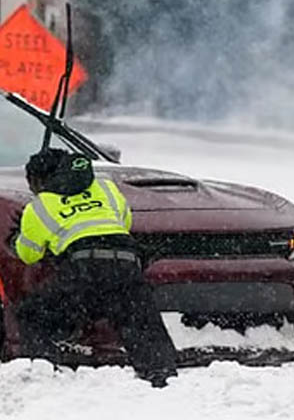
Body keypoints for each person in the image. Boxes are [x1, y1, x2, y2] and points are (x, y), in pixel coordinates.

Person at [12, 148, 178, 388]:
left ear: (38, 180)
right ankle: (162, 377)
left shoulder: (39, 207)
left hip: (83, 270)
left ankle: (44, 373)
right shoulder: (107, 189)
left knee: (32, 314)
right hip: (127, 263)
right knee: (141, 323)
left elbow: (28, 254)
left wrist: (22, 232)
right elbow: (124, 221)